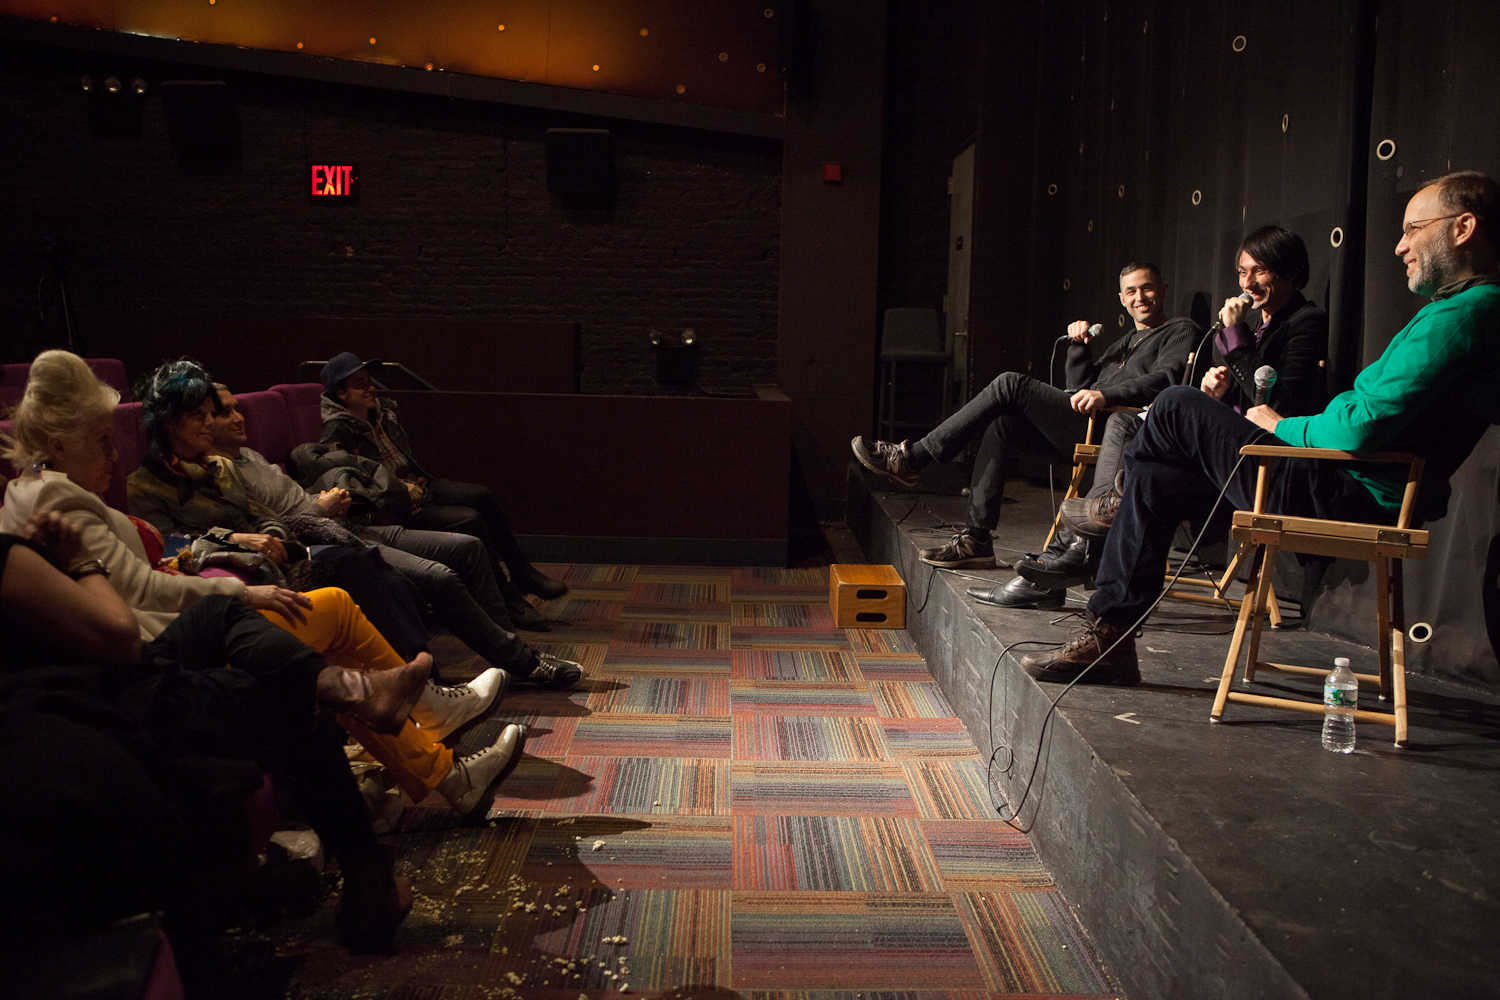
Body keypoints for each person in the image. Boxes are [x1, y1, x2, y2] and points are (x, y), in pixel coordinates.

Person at [2, 352, 527, 823]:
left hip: (218, 596)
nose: (115, 455)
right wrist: (242, 587)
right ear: (57, 444)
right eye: (102, 441)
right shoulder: (65, 500)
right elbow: (140, 589)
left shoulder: (43, 493)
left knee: (353, 582)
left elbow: (264, 515)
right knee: (337, 606)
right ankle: (437, 738)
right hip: (170, 647)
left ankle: (436, 740)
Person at [1020, 171, 1500, 685]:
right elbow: (1362, 413)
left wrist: (1284, 425)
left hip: (1342, 488)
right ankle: (1110, 634)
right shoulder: (1455, 311)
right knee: (1154, 479)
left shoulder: (1466, 315)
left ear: (1463, 227)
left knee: (1174, 404)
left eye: (1413, 229)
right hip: (1334, 478)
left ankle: (1109, 512)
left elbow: (1361, 427)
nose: (1401, 245)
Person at [0, 509, 425, 963]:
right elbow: (120, 635)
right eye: (100, 439)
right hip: (87, 707)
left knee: (219, 612)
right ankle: (373, 869)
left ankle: (357, 691)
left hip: (93, 682)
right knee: (287, 686)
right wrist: (80, 561)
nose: (112, 451)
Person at [997, 226, 1330, 609]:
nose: (1247, 283)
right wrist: (1221, 394)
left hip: (1267, 465)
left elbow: (1283, 403)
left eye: (1259, 271)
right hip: (1230, 452)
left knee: (1155, 410)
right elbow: (1255, 395)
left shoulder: (1305, 322)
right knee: (1141, 460)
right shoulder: (1261, 325)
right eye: (1242, 272)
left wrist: (1236, 340)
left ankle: (1073, 554)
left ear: (1288, 271)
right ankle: (1077, 561)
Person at [207, 382, 581, 690]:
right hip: (326, 538)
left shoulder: (249, 456)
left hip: (348, 524)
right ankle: (523, 663)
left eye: (236, 408)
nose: (238, 417)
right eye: (224, 412)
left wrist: (323, 500)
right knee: (441, 576)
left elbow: (292, 499)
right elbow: (276, 524)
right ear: (204, 422)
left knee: (469, 547)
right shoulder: (221, 474)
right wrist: (321, 508)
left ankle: (509, 646)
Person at [854, 262, 1198, 571]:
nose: (1140, 297)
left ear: (1164, 290)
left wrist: (1107, 394)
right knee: (1002, 425)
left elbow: (1165, 380)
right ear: (1121, 298)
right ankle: (977, 539)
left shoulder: (1180, 329)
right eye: (1131, 291)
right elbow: (1077, 387)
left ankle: (914, 458)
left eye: (1147, 288)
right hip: (1088, 423)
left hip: (1119, 431)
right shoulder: (1122, 343)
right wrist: (1078, 348)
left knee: (1009, 384)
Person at [318, 352, 567, 623]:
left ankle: (522, 573)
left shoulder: (383, 412)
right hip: (398, 503)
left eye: (369, 381)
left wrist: (411, 482)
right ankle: (506, 600)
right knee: (470, 520)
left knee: (481, 495)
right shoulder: (335, 433)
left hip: (421, 484)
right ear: (341, 393)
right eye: (360, 384)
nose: (370, 388)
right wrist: (399, 488)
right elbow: (351, 484)